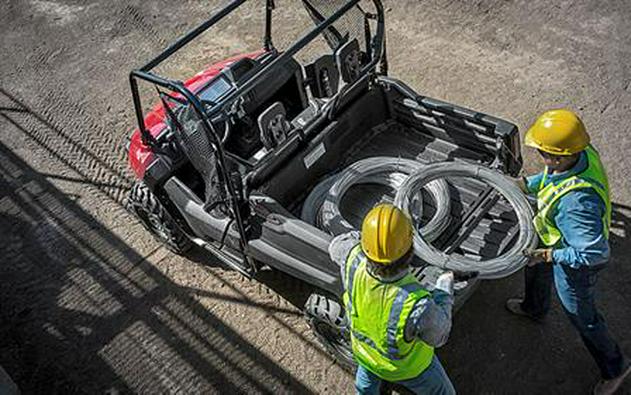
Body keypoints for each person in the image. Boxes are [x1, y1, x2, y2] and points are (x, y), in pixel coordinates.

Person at [506, 109, 630, 394]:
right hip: (557, 238)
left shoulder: (577, 205)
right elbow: (553, 177)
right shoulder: (580, 150)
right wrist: (528, 185)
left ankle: (616, 367)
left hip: (574, 258)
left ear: (559, 155)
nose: (540, 156)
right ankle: (534, 308)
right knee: (534, 267)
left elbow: (594, 253)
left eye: (542, 152)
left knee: (581, 314)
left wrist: (551, 255)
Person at [329, 203, 456, 395]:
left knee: (365, 389)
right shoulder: (417, 305)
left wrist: (365, 237)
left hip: (365, 353)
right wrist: (444, 291)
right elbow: (439, 336)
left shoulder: (351, 257)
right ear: (411, 248)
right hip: (404, 370)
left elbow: (335, 246)